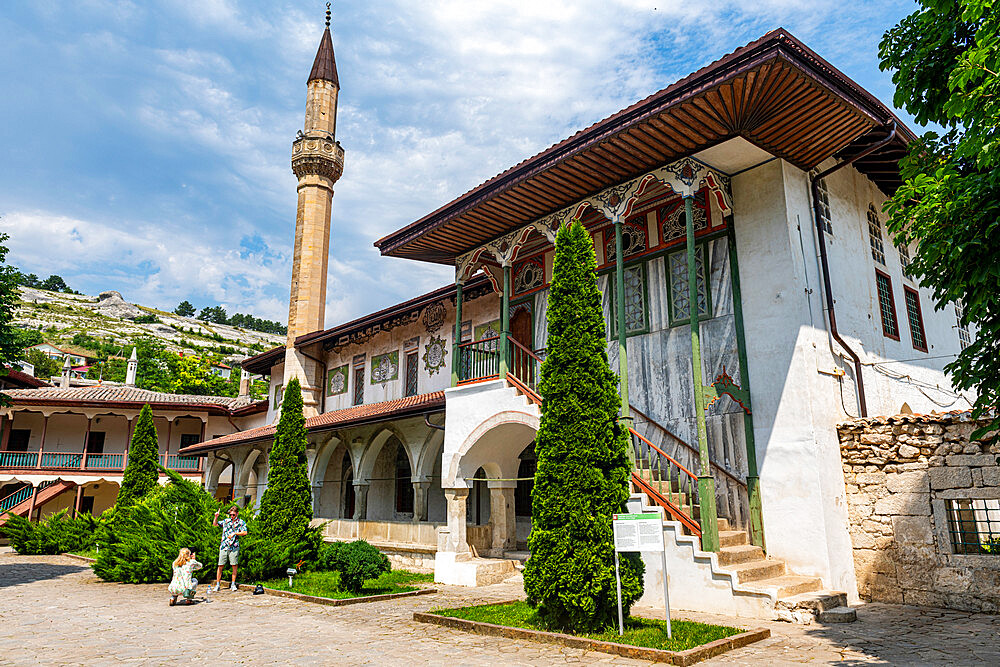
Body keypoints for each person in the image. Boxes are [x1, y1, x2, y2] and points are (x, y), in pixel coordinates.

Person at [212, 505, 247, 592]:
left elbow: (245, 532)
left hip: (234, 547)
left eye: (233, 515)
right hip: (224, 546)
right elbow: (215, 524)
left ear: (237, 514)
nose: (232, 516)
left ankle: (233, 584)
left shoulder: (241, 522)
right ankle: (217, 584)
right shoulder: (226, 521)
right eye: (230, 514)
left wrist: (235, 533)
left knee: (234, 565)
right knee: (220, 566)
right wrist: (216, 517)